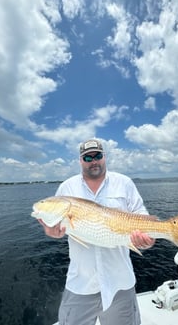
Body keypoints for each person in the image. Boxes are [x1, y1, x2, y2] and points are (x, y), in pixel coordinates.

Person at [39, 138, 155, 325]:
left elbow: (142, 217)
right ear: (80, 161)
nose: (93, 161)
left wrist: (147, 240)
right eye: (87, 157)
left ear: (104, 157)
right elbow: (57, 227)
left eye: (97, 155)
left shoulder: (124, 183)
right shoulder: (67, 188)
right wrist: (51, 232)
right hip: (81, 283)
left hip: (120, 282)